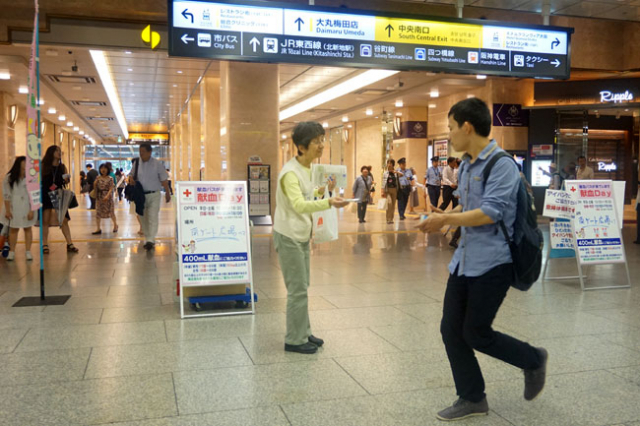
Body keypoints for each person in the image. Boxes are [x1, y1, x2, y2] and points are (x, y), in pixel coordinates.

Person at [417, 98, 547, 421]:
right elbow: (467, 206)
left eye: (450, 127)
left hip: (494, 263)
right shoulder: (467, 164)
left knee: (476, 332)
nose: (449, 134)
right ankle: (472, 397)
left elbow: (490, 213)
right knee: (450, 329)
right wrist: (443, 216)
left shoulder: (502, 165)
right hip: (463, 261)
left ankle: (532, 359)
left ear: (467, 127)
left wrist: (447, 222)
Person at [273, 122, 348, 354]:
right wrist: (328, 202)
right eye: (316, 142)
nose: (321, 145)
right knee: (297, 289)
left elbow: (309, 195)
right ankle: (294, 339)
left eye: (322, 140)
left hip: (301, 234)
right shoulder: (289, 173)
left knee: (303, 286)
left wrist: (327, 190)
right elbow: (298, 204)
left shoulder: (308, 169)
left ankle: (304, 332)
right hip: (288, 236)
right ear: (302, 147)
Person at [133, 143, 171, 251]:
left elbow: (164, 180)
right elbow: (132, 175)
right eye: (140, 152)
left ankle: (150, 239)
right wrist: (131, 179)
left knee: (153, 216)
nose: (141, 154)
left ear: (150, 152)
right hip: (140, 195)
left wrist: (167, 193)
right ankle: (147, 237)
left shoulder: (157, 164)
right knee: (142, 217)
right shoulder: (136, 163)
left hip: (154, 194)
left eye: (143, 152)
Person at [42, 145, 79, 254]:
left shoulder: (62, 167)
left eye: (59, 151)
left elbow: (65, 182)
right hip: (46, 194)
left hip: (59, 195)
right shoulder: (44, 166)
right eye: (57, 151)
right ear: (51, 153)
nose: (59, 153)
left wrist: (67, 180)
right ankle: (45, 244)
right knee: (45, 220)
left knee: (64, 220)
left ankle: (69, 243)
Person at [2, 157, 37, 261]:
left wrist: (32, 210)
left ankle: (28, 251)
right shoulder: (9, 177)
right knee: (14, 228)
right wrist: (7, 210)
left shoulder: (32, 177)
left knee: (27, 228)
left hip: (27, 205)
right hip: (14, 205)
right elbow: (6, 195)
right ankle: (12, 251)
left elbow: (34, 194)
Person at [92, 163, 118, 235]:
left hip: (108, 197)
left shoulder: (110, 178)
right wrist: (94, 184)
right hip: (99, 197)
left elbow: (111, 188)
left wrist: (107, 196)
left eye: (105, 168)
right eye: (102, 168)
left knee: (111, 212)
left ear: (108, 170)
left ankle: (115, 225)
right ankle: (98, 228)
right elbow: (95, 188)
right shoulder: (98, 178)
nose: (103, 170)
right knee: (98, 212)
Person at [381, 159, 400, 224]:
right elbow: (383, 182)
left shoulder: (396, 172)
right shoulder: (385, 173)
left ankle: (391, 219)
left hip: (394, 190)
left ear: (393, 164)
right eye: (388, 163)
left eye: (390, 163)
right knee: (389, 204)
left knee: (393, 205)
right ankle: (388, 219)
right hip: (387, 190)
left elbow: (402, 175)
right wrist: (382, 191)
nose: (389, 164)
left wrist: (396, 172)